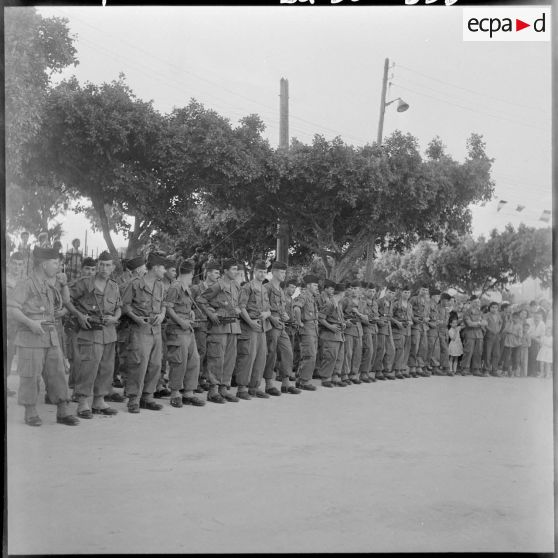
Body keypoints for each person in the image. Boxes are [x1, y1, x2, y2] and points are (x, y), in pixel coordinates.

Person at [7, 246, 79, 426]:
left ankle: (63, 411)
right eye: (55, 263)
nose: (58, 266)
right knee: (30, 376)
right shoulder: (26, 284)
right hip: (31, 337)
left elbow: (61, 304)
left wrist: (64, 286)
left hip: (50, 335)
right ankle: (30, 412)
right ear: (43, 264)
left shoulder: (49, 284)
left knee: (58, 373)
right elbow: (11, 308)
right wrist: (31, 323)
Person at [65, 251, 121, 418]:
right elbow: (66, 299)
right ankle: (82, 402)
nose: (104, 268)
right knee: (88, 367)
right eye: (102, 264)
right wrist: (78, 315)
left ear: (113, 267)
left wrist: (115, 318)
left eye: (108, 265)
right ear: (98, 265)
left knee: (106, 368)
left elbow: (119, 306)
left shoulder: (114, 286)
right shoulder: (85, 283)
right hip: (90, 331)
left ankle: (99, 400)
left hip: (109, 332)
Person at [120, 252, 167, 413]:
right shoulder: (135, 283)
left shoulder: (160, 285)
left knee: (155, 365)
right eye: (163, 268)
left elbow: (164, 304)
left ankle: (148, 397)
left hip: (156, 329)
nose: (165, 271)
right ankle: (134, 399)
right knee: (138, 363)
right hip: (139, 329)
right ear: (154, 268)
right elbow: (125, 306)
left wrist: (162, 315)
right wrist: (136, 318)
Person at [196, 259, 242, 403]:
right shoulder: (218, 285)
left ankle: (224, 389)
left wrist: (239, 309)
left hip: (233, 327)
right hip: (218, 328)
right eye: (233, 269)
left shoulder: (235, 285)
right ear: (226, 271)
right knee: (216, 358)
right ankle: (213, 390)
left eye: (236, 269)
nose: (235, 272)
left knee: (229, 359)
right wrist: (210, 314)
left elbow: (239, 303)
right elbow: (201, 299)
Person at [163, 260, 205, 408]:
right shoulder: (176, 286)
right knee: (179, 361)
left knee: (194, 360)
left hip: (188, 328)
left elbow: (184, 305)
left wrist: (191, 311)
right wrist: (180, 321)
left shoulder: (185, 287)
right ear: (192, 273)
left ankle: (188, 393)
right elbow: (168, 308)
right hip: (177, 329)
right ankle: (175, 393)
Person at [234, 260, 272, 399]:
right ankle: (242, 388)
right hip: (249, 327)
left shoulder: (264, 289)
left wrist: (266, 314)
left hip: (261, 327)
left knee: (261, 357)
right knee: (247, 356)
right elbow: (241, 307)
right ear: (254, 272)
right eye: (259, 271)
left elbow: (269, 310)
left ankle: (254, 387)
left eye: (264, 272)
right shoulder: (247, 287)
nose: (262, 274)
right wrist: (250, 322)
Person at [263, 262, 301, 395]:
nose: (283, 274)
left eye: (285, 272)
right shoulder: (266, 288)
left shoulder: (281, 290)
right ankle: (269, 384)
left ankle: (286, 383)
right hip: (270, 324)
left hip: (281, 325)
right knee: (271, 353)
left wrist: (284, 315)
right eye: (281, 272)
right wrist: (272, 317)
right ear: (273, 272)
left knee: (287, 352)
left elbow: (282, 308)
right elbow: (262, 307)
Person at [191, 261, 221, 392]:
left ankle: (203, 378)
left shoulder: (217, 289)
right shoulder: (196, 288)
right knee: (200, 352)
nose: (218, 275)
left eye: (219, 273)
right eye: (215, 272)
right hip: (200, 323)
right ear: (208, 273)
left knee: (210, 353)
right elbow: (189, 304)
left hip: (212, 324)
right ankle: (194, 380)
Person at [154, 258, 177, 398]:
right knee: (160, 357)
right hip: (161, 325)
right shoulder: (159, 284)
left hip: (171, 325)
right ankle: (158, 385)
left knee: (169, 355)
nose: (175, 273)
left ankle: (162, 382)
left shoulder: (174, 284)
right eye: (172, 270)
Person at [293, 275, 320, 391]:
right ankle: (305, 381)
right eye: (314, 285)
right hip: (307, 328)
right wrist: (299, 322)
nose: (316, 287)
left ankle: (300, 379)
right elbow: (296, 308)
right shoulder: (304, 296)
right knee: (310, 355)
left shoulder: (312, 298)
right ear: (308, 286)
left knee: (308, 355)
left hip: (313, 328)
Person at [6, 252, 26, 395]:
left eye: (20, 264)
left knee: (12, 353)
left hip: (17, 323)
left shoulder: (24, 281)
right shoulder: (4, 278)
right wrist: (15, 304)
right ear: (9, 263)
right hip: (6, 321)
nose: (17, 267)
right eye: (14, 264)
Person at [373, 285, 396, 380]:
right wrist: (379, 321)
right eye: (389, 292)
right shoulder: (379, 302)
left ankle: (387, 370)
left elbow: (390, 316)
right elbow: (374, 314)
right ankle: (378, 371)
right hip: (381, 328)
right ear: (386, 292)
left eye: (393, 293)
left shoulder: (391, 302)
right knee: (381, 350)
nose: (391, 295)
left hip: (388, 327)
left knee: (391, 349)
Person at [461, 295, 487, 377]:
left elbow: (485, 323)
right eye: (475, 302)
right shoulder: (467, 312)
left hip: (479, 334)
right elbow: (469, 324)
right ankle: (465, 369)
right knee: (468, 351)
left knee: (478, 352)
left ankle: (476, 369)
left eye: (478, 302)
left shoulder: (480, 312)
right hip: (470, 333)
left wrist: (477, 323)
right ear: (470, 303)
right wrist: (479, 323)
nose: (477, 303)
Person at [391, 286, 413, 379]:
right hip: (398, 330)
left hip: (407, 330)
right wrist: (397, 322)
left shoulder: (409, 305)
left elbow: (410, 317)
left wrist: (411, 322)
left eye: (408, 293)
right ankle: (396, 370)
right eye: (405, 292)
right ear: (401, 293)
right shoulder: (396, 304)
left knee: (406, 350)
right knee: (399, 350)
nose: (407, 294)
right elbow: (390, 316)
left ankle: (402, 368)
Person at [409, 285, 429, 377]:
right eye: (423, 289)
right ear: (419, 290)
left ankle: (419, 367)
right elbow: (408, 311)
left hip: (423, 326)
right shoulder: (413, 299)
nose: (424, 291)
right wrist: (413, 319)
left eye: (426, 290)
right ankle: (412, 367)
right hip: (415, 326)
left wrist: (426, 319)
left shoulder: (427, 301)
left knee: (422, 347)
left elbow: (427, 314)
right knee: (415, 346)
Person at [284, 278, 300, 381]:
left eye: (295, 288)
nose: (293, 289)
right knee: (283, 352)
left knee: (290, 352)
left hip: (291, 329)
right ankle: (281, 373)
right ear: (286, 287)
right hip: (284, 327)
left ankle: (288, 372)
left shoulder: (292, 300)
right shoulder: (283, 298)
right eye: (291, 287)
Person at [484, 301, 502, 376]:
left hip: (496, 336)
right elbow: (485, 325)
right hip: (489, 335)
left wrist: (498, 330)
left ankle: (494, 370)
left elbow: (501, 323)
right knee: (488, 353)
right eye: (492, 307)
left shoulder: (498, 315)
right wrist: (490, 330)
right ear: (489, 308)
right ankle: (486, 370)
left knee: (496, 353)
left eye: (496, 308)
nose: (494, 309)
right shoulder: (486, 315)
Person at [501, 311, 522, 377]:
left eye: (516, 318)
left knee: (515, 358)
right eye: (513, 317)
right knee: (507, 357)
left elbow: (520, 335)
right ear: (512, 317)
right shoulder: (508, 323)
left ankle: (513, 371)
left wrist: (512, 332)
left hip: (516, 344)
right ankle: (505, 371)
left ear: (519, 319)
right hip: (508, 343)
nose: (515, 319)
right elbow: (504, 331)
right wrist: (510, 324)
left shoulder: (520, 326)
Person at [528, 310, 546, 377]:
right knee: (531, 354)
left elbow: (542, 335)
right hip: (528, 339)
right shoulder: (528, 321)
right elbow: (527, 332)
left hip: (536, 341)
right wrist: (535, 338)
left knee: (535, 354)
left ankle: (533, 371)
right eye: (535, 317)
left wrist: (538, 340)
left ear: (541, 318)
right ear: (533, 316)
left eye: (538, 317)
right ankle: (530, 371)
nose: (537, 319)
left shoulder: (542, 324)